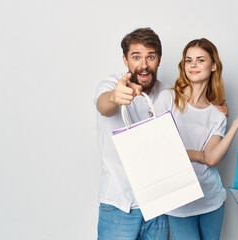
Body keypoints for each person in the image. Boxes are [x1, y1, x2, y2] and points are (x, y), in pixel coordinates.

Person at [94, 28, 228, 239]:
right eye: (136, 57)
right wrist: (114, 98)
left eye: (151, 56)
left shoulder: (168, 94)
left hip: (161, 204)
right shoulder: (112, 84)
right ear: (125, 59)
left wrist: (219, 105)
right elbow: (104, 106)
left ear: (159, 59)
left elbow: (197, 106)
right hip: (120, 203)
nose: (144, 64)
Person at [154, 38, 238, 240]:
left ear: (213, 66)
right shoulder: (168, 99)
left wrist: (235, 124)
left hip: (211, 199)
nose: (193, 65)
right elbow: (158, 152)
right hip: (178, 201)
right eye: (188, 60)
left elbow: (210, 159)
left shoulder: (217, 114)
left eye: (200, 60)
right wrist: (196, 154)